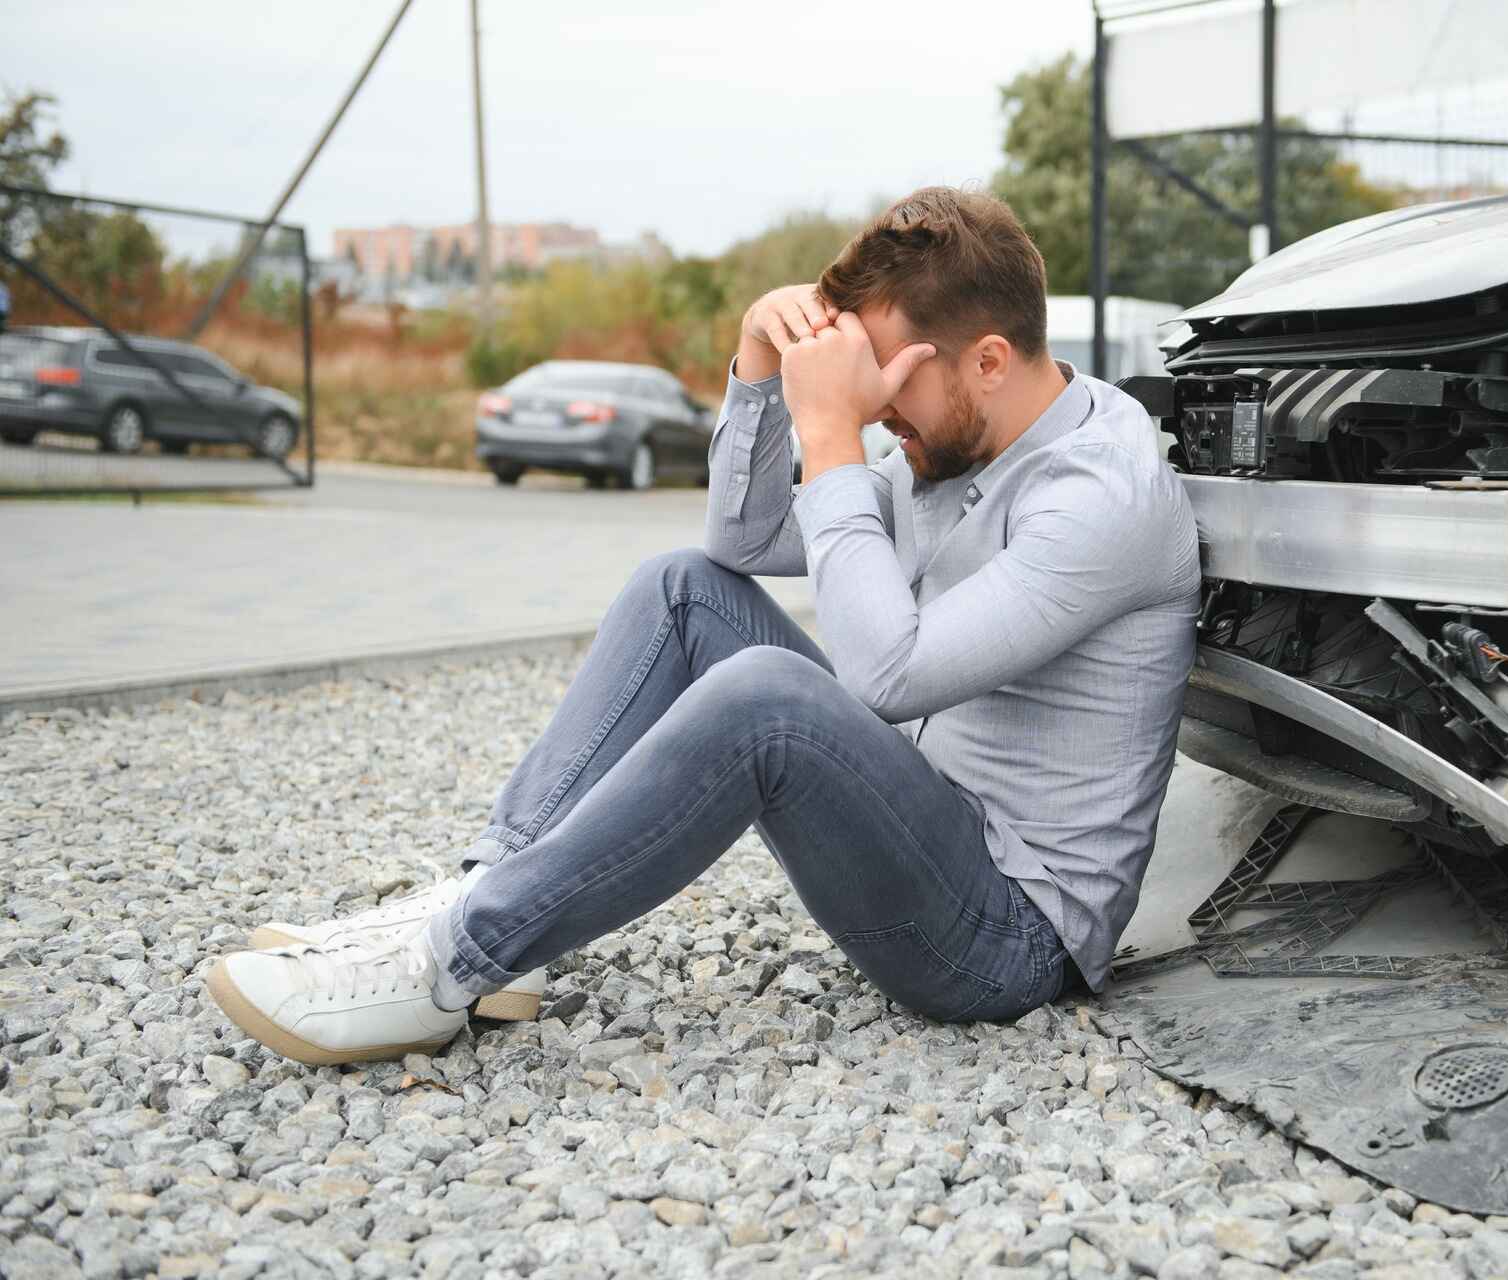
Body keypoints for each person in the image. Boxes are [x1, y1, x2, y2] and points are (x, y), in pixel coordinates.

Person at [206, 188, 1202, 1065]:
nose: (872, 409)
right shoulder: (954, 428)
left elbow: (887, 673)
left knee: (767, 699)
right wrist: (761, 366)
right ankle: (486, 901)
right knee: (681, 587)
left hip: (1006, 937)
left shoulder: (1098, 493)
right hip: (929, 813)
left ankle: (448, 961)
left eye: (884, 386)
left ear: (988, 359)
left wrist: (830, 435)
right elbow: (740, 538)